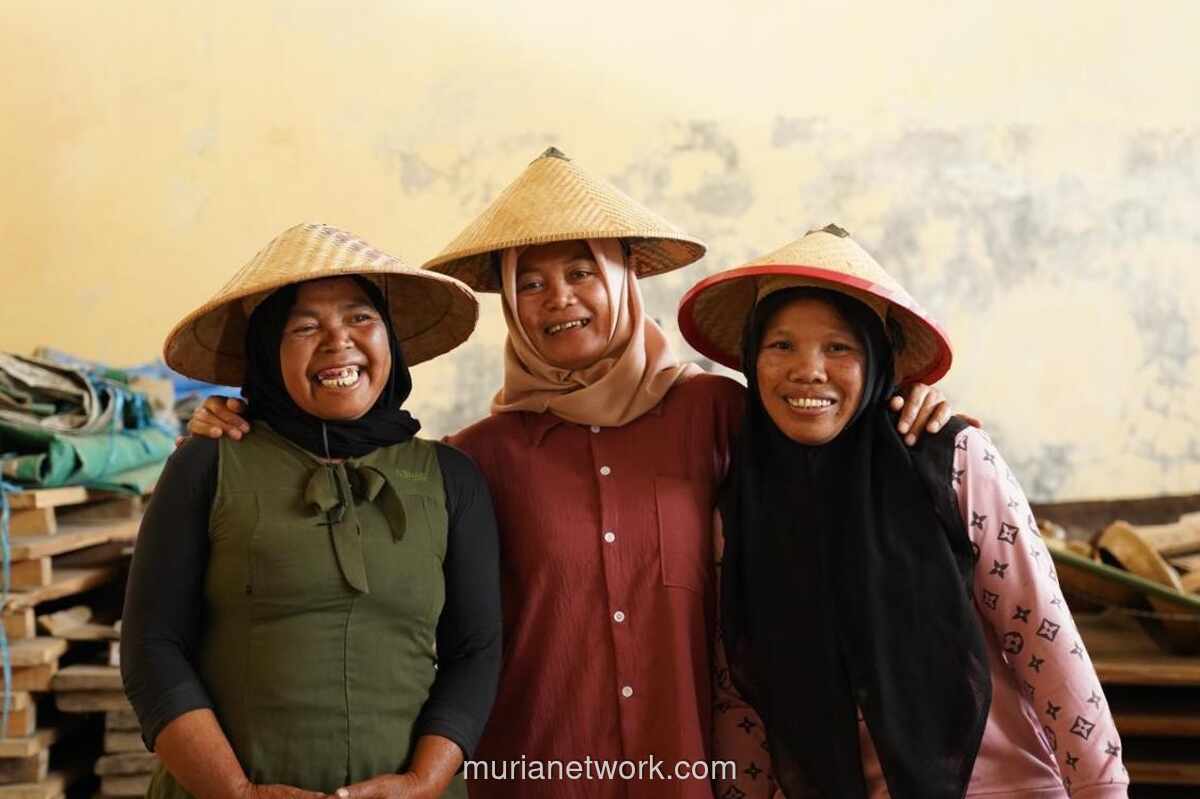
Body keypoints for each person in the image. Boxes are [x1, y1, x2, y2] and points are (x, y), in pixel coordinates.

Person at [186, 152, 955, 798]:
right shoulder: (473, 458)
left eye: (582, 271)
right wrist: (239, 424)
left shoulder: (716, 412)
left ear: (623, 279)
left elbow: (826, 442)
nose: (557, 298)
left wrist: (913, 412)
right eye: (531, 281)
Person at [678, 224, 1128, 798]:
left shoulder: (952, 461)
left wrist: (1102, 789)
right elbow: (737, 692)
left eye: (838, 347)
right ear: (752, 358)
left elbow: (1041, 635)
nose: (808, 370)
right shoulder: (740, 500)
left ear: (876, 358)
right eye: (781, 345)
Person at [122, 223, 502, 799]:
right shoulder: (209, 464)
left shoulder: (452, 478)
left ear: (388, 341)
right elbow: (152, 646)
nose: (337, 341)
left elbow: (475, 650)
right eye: (304, 327)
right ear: (268, 355)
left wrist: (424, 782)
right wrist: (235, 792)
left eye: (359, 318)